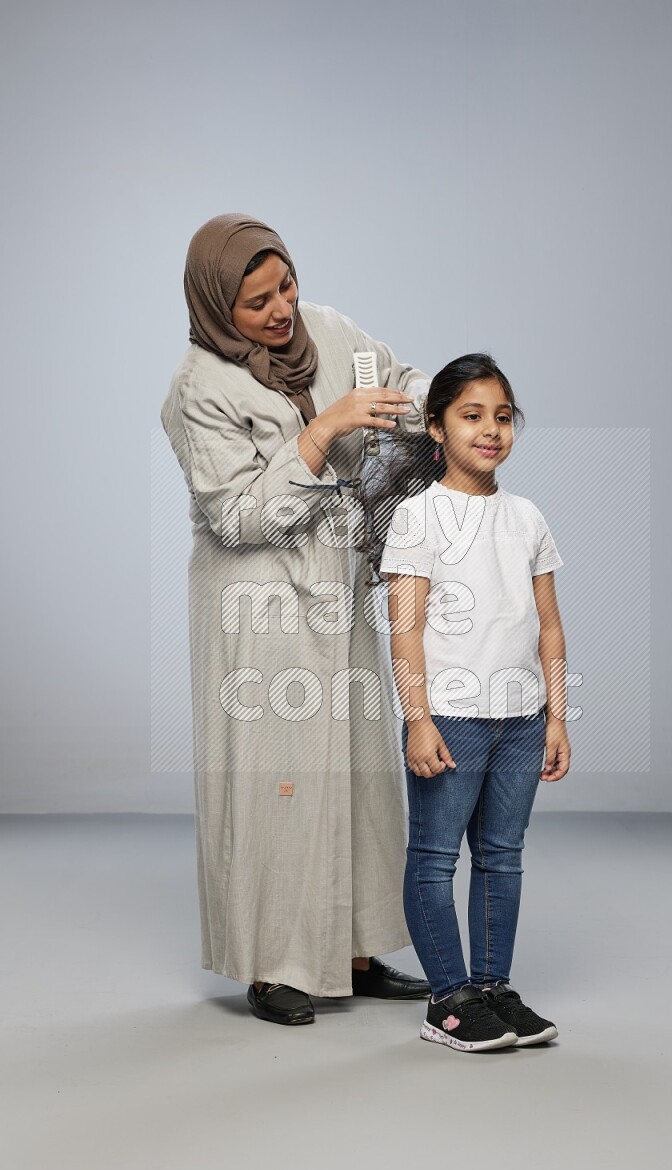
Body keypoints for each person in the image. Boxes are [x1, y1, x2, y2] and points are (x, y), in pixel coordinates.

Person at [160, 213, 432, 1025]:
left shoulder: (328, 330)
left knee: (357, 771)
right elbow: (240, 517)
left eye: (286, 286)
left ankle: (351, 949)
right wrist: (322, 430)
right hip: (260, 605)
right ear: (217, 307)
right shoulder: (198, 390)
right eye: (256, 302)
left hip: (336, 585)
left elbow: (398, 379)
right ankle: (273, 964)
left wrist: (438, 404)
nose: (281, 310)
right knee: (273, 787)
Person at [361, 352, 571, 1052]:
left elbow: (547, 622)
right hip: (450, 716)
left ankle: (491, 988)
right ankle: (447, 1001)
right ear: (437, 428)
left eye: (503, 417)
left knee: (502, 856)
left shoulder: (528, 516)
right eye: (472, 416)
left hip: (520, 717)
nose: (491, 430)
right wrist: (417, 718)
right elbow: (407, 626)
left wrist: (556, 716)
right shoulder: (417, 518)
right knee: (434, 857)